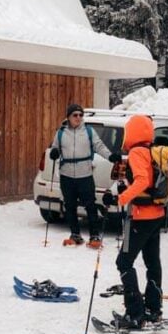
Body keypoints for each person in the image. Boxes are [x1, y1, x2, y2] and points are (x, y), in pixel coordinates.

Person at [101, 114, 165, 329]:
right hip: (157, 214)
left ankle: (135, 313)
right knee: (152, 262)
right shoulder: (151, 151)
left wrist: (119, 198)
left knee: (124, 262)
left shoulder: (137, 152)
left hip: (141, 216)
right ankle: (153, 309)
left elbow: (142, 181)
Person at [48, 103, 120, 247]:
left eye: (81, 115)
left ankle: (94, 236)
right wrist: (54, 152)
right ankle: (75, 234)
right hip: (66, 175)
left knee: (90, 206)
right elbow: (55, 148)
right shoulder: (61, 133)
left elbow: (99, 146)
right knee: (70, 206)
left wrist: (110, 156)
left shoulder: (88, 131)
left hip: (85, 175)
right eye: (75, 115)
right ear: (68, 117)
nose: (78, 117)